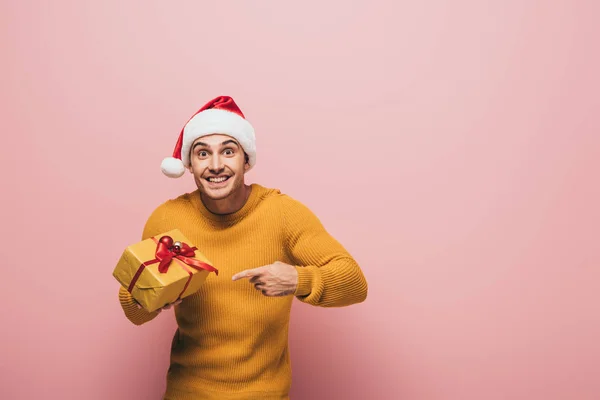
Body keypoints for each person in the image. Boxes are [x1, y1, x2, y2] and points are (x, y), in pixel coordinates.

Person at [117, 95, 368, 399]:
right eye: (202, 153)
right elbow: (133, 311)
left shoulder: (282, 213)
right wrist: (151, 296)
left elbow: (355, 282)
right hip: (188, 392)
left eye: (228, 151)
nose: (216, 165)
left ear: (246, 160)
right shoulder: (169, 219)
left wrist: (298, 280)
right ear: (190, 165)